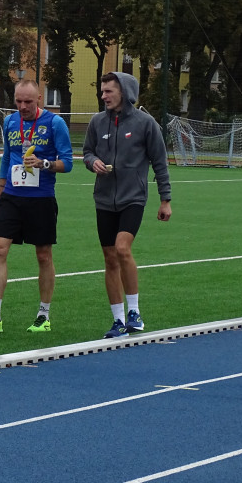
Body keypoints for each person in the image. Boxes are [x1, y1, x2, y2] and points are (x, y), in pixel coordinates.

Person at [0, 79, 73, 334]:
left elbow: (68, 163)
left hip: (41, 198)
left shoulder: (55, 123)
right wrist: (0, 195)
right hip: (12, 197)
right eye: (18, 101)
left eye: (28, 101)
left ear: (39, 98)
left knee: (43, 255)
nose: (23, 106)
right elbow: (7, 158)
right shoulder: (10, 122)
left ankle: (43, 315)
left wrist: (45, 164)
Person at [81, 71, 172, 339]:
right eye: (102, 91)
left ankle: (134, 312)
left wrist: (165, 200)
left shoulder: (146, 123)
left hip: (133, 198)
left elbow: (160, 162)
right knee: (110, 257)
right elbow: (87, 152)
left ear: (125, 91)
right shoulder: (97, 122)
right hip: (103, 199)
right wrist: (93, 162)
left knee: (122, 248)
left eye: (109, 91)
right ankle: (118, 320)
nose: (104, 96)